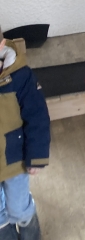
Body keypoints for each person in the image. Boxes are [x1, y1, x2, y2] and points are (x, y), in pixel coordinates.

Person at [0, 28, 49, 240]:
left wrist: (36, 157)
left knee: (18, 207)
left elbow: (37, 117)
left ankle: (31, 234)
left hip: (14, 158)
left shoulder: (20, 76)